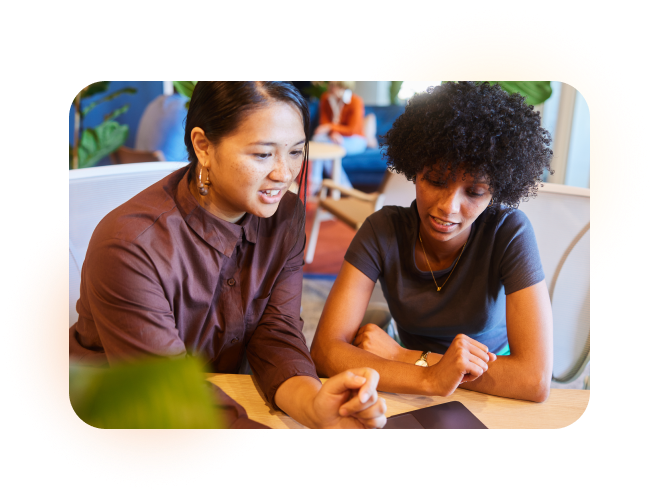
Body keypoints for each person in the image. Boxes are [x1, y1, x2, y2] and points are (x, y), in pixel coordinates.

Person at [70, 81, 387, 429]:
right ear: (203, 146)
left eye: (296, 151)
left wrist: (314, 406)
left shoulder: (285, 215)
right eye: (263, 154)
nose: (284, 175)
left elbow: (276, 331)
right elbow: (172, 394)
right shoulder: (131, 244)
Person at [310, 82, 554, 403]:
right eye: (436, 181)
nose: (448, 207)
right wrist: (429, 376)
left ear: (498, 190)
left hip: (488, 383)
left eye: (475, 192)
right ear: (415, 169)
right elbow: (324, 350)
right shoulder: (382, 230)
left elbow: (531, 379)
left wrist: (406, 357)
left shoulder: (508, 232)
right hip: (413, 386)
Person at [309, 81, 368, 195]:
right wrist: (332, 132)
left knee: (323, 145)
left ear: (343, 86)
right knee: (318, 139)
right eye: (329, 84)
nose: (329, 87)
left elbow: (353, 130)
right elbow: (323, 122)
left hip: (356, 140)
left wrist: (331, 128)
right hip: (333, 139)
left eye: (333, 85)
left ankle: (316, 183)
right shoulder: (325, 98)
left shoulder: (356, 101)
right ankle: (343, 189)